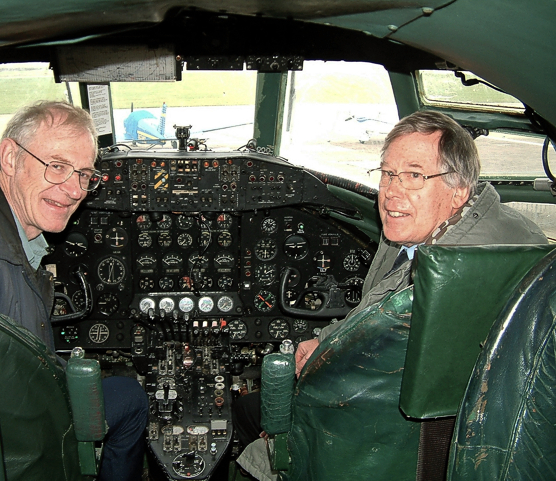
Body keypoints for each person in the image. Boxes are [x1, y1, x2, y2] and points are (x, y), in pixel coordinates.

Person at [233, 110, 547, 480]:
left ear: (459, 191)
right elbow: (373, 312)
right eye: (387, 174)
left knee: (245, 410)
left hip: (370, 432)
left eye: (414, 175)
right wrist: (324, 339)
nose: (392, 192)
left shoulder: (445, 286)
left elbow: (374, 369)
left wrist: (293, 411)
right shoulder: (416, 231)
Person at [0, 100, 148, 481]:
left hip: (26, 409)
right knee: (133, 398)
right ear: (9, 156)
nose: (73, 190)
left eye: (85, 175)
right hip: (26, 440)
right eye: (57, 166)